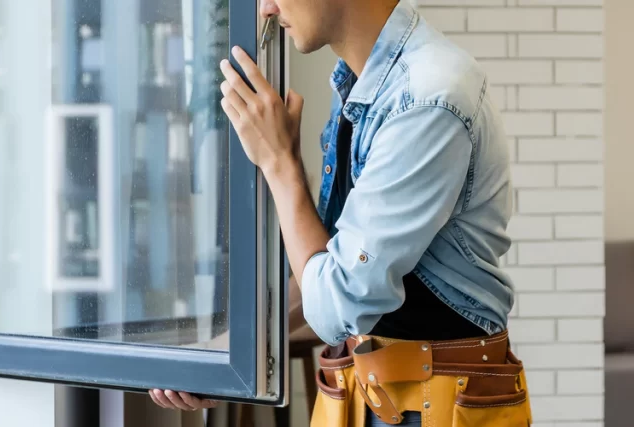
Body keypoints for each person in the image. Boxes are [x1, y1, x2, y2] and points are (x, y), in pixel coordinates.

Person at [150, 0, 532, 425]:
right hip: (370, 397)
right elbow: (327, 273)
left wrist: (281, 165)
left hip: (435, 404)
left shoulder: (427, 96)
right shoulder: (365, 85)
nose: (267, 8)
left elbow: (337, 306)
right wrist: (227, 353)